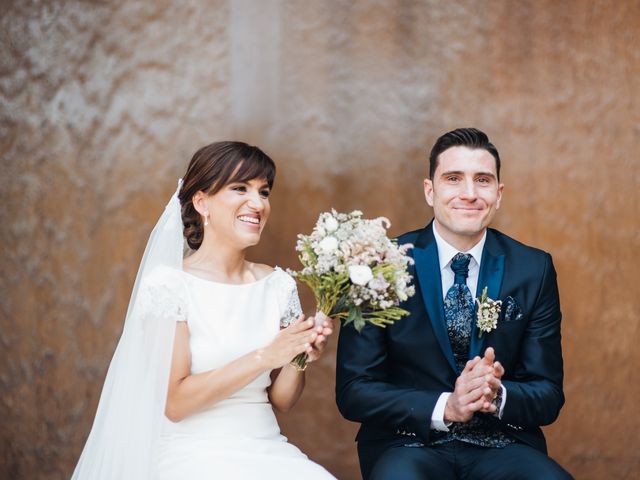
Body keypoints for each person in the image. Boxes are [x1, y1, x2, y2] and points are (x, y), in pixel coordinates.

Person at [72, 141, 336, 479]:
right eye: (240, 188)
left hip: (267, 447)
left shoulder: (278, 285)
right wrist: (264, 356)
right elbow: (176, 404)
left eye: (264, 192)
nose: (257, 203)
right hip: (192, 454)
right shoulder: (170, 285)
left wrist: (301, 359)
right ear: (201, 202)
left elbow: (281, 400)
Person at [336, 128, 571, 479]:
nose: (470, 194)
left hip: (502, 444)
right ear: (430, 191)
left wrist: (497, 393)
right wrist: (447, 406)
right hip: (409, 443)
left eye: (483, 180)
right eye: (453, 179)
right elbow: (354, 391)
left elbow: (548, 393)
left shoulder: (533, 268)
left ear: (499, 193)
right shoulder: (377, 265)